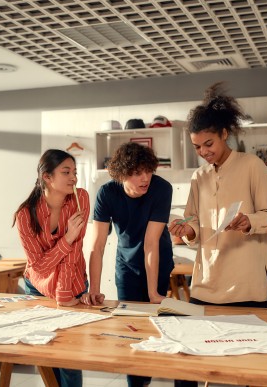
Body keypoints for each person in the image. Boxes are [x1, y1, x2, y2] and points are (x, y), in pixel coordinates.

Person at [169, 81, 267, 307]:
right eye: (197, 147)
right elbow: (195, 224)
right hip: (206, 282)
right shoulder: (199, 177)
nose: (203, 152)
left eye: (208, 143)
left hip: (247, 284)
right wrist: (187, 229)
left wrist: (249, 221)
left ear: (224, 134)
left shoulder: (252, 165)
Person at [81, 142, 174, 387]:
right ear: (122, 174)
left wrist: (154, 293)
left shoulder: (162, 189)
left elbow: (151, 243)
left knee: (154, 325)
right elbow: (97, 245)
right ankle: (137, 382)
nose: (145, 178)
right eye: (136, 173)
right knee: (130, 328)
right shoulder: (107, 193)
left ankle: (153, 369)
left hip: (158, 261)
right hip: (126, 265)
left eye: (148, 171)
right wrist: (94, 288)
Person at [13, 148, 89, 387]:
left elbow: (75, 252)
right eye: (66, 172)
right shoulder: (25, 215)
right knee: (46, 351)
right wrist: (66, 238)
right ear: (47, 177)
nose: (73, 177)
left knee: (70, 354)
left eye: (74, 172)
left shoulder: (80, 198)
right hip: (38, 287)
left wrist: (65, 295)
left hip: (73, 284)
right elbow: (40, 266)